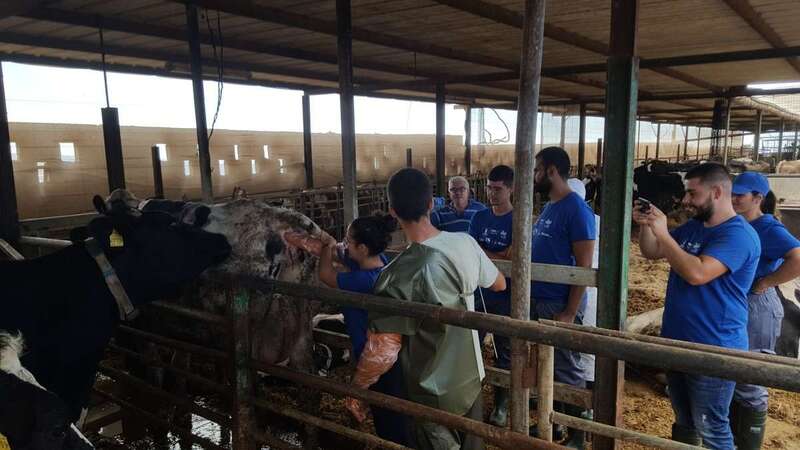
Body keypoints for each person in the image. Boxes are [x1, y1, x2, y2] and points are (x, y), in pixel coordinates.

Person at [345, 168, 506, 450]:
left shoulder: (396, 274)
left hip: (429, 390)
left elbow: (383, 351)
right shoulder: (465, 243)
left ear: (393, 212)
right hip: (471, 377)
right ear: (432, 203)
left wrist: (356, 389)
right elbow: (499, 284)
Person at [635, 163, 760, 449]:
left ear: (716, 192)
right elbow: (653, 251)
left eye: (693, 194)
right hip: (679, 341)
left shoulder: (737, 235)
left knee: (712, 427)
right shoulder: (694, 228)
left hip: (713, 346)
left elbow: (697, 274)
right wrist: (648, 226)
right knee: (686, 420)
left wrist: (664, 232)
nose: (686, 201)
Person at [285, 214, 413, 446]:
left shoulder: (362, 280)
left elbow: (325, 275)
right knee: (389, 412)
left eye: (348, 240)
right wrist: (305, 241)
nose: (344, 243)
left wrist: (327, 247)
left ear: (362, 248)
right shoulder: (380, 263)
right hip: (384, 357)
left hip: (376, 360)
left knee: (389, 422)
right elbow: (340, 254)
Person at [730, 172, 800, 449]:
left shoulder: (768, 227)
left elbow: (797, 257)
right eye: (731, 193)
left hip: (757, 304)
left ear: (758, 198)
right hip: (737, 301)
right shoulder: (735, 223)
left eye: (740, 195)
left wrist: (768, 281)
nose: (734, 199)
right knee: (731, 371)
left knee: (750, 376)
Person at [531, 148, 595, 448]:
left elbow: (584, 266)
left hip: (560, 302)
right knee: (549, 366)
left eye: (537, 170)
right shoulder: (551, 206)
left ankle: (580, 435)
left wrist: (570, 310)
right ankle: (555, 427)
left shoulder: (576, 208)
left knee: (567, 367)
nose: (534, 176)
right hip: (542, 298)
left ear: (552, 170)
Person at [467, 165, 514, 427]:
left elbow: (513, 256)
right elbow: (471, 252)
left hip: (507, 295)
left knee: (505, 350)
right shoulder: (479, 217)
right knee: (471, 344)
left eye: (497, 189)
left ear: (511, 189)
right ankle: (470, 398)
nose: (492, 193)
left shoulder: (518, 218)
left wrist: (482, 252)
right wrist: (496, 254)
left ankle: (501, 404)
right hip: (478, 294)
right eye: (489, 187)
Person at [566, 178, 598, 389]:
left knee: (584, 341)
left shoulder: (584, 219)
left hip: (586, 289)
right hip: (575, 288)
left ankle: (582, 401)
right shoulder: (596, 219)